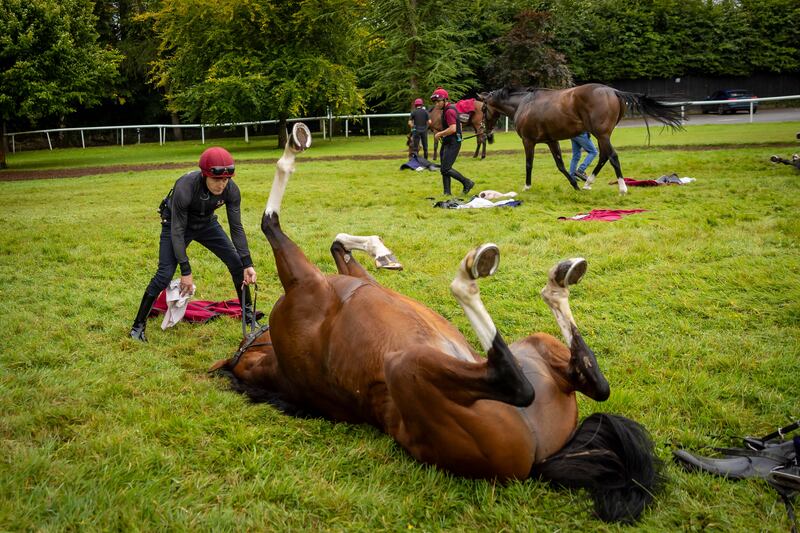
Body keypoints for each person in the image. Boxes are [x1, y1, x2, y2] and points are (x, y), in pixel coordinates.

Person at [129, 146, 259, 342]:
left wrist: (247, 263)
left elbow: (237, 228)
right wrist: (186, 271)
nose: (221, 184)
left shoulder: (231, 190)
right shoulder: (186, 186)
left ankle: (249, 316)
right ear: (205, 174)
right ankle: (137, 327)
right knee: (164, 274)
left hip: (206, 224)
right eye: (216, 179)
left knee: (236, 264)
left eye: (226, 179)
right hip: (175, 225)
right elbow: (178, 231)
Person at [431, 87, 475, 196]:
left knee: (446, 168)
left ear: (445, 100)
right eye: (434, 102)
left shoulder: (449, 111)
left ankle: (467, 182)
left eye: (438, 101)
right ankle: (447, 193)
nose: (436, 104)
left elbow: (453, 128)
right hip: (448, 141)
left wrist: (439, 134)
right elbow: (458, 124)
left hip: (452, 143)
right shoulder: (448, 110)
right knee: (443, 168)